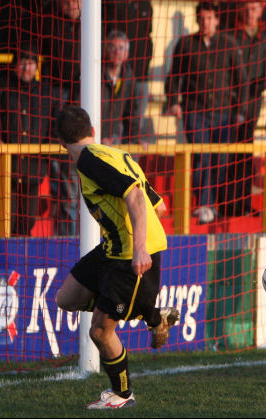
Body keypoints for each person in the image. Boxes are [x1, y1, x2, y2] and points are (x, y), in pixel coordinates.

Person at [54, 105, 179, 409]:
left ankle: (122, 395)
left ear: (60, 143)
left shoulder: (89, 161)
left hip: (131, 252)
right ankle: (151, 314)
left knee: (100, 330)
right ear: (93, 132)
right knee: (66, 299)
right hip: (115, 246)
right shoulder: (112, 154)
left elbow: (135, 196)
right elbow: (158, 207)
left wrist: (138, 248)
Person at [165, 1, 248, 224]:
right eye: (202, 18)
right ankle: (204, 205)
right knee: (201, 157)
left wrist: (241, 111)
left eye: (210, 18)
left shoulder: (229, 44)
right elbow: (174, 76)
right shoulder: (185, 44)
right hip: (195, 110)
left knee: (221, 159)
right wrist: (174, 102)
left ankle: (214, 204)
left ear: (217, 20)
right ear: (197, 19)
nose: (206, 22)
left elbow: (241, 80)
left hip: (224, 112)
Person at [0, 45, 61, 236]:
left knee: (27, 223)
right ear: (14, 65)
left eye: (31, 63)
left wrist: (46, 150)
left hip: (33, 168)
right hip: (4, 169)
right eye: (22, 63)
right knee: (3, 223)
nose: (27, 68)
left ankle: (20, 264)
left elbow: (55, 126)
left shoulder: (47, 94)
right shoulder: (0, 89)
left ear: (37, 67)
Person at [222, 1, 266, 217]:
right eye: (247, 8)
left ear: (261, 11)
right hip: (231, 100)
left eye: (254, 8)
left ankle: (244, 203)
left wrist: (254, 88)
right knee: (229, 149)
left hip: (253, 101)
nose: (250, 12)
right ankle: (225, 202)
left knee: (246, 148)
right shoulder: (230, 37)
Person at [102, 0, 154, 142]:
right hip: (112, 74)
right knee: (111, 124)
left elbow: (147, 35)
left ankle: (130, 164)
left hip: (139, 75)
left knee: (135, 127)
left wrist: (144, 65)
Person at [101, 30, 140, 145]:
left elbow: (132, 113)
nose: (116, 52)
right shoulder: (95, 74)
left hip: (113, 138)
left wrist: (135, 139)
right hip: (91, 137)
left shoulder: (129, 79)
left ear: (126, 54)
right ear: (106, 50)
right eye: (112, 47)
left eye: (121, 48)